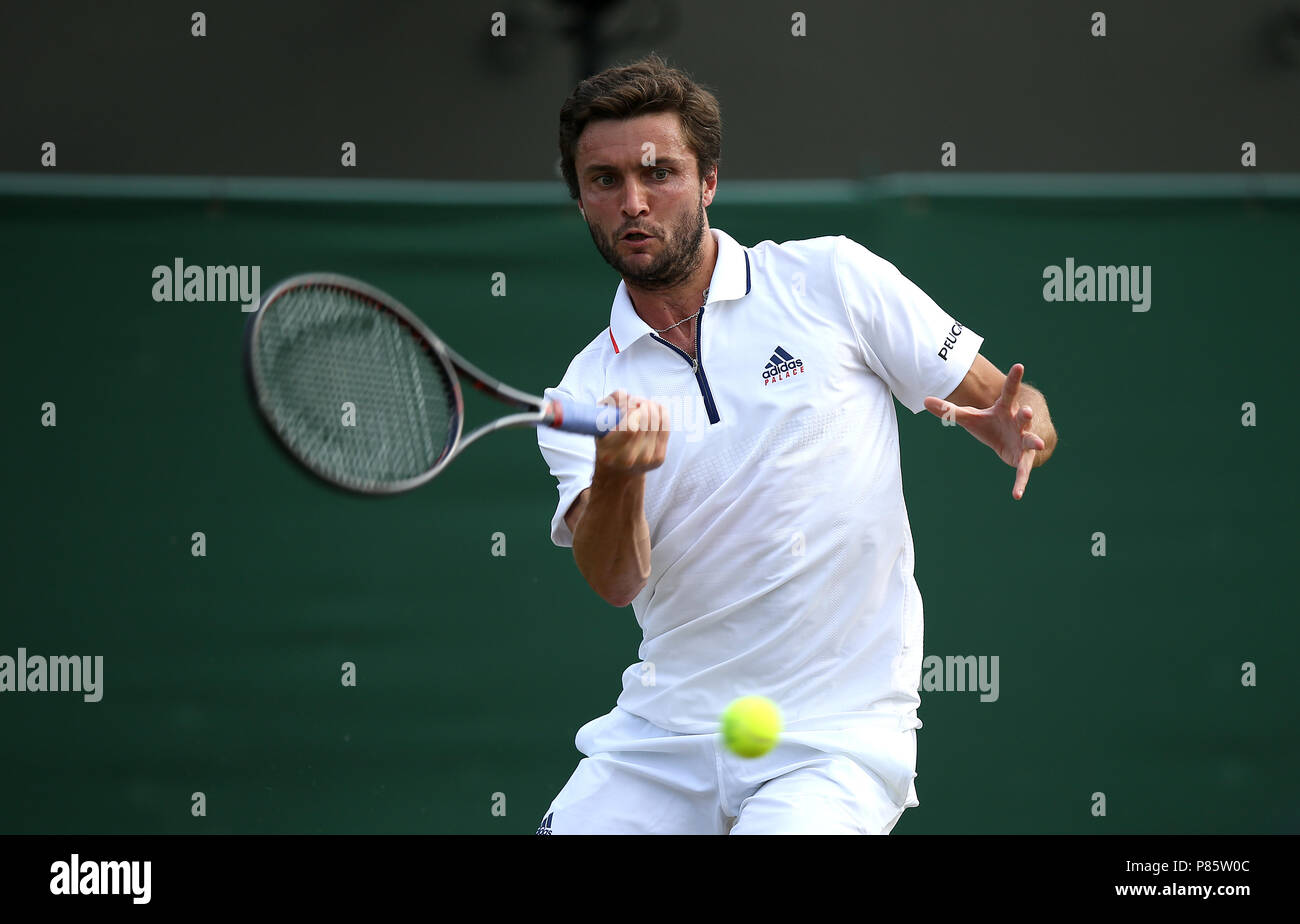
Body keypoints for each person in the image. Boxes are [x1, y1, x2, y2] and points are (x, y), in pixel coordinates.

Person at [535, 53, 1057, 835]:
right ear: (581, 199)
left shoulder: (833, 281)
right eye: (604, 181)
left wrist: (1021, 429)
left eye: (659, 173)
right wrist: (619, 477)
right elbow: (615, 581)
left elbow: (1022, 406)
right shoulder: (579, 392)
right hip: (661, 738)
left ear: (708, 180)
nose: (634, 202)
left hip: (835, 739)